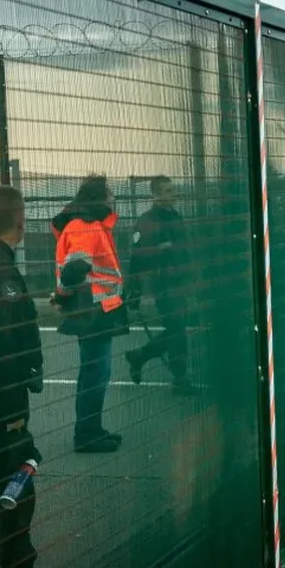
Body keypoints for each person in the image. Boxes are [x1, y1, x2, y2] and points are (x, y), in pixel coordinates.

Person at [0, 186, 79, 568]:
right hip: (3, 406)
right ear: (18, 219)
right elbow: (2, 345)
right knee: (17, 481)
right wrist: (24, 378)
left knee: (4, 481)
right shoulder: (0, 274)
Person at [51, 175, 129, 454]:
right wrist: (62, 295)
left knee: (93, 372)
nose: (113, 200)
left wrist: (62, 295)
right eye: (109, 194)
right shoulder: (85, 226)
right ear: (99, 198)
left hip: (94, 310)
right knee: (96, 373)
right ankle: (86, 435)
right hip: (94, 311)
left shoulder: (86, 224)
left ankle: (91, 428)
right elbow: (75, 269)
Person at [125, 176, 196, 395]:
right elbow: (136, 259)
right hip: (163, 286)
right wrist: (133, 292)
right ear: (155, 195)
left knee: (177, 330)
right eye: (167, 191)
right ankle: (180, 379)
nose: (172, 194)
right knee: (178, 330)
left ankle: (140, 356)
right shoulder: (146, 222)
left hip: (180, 284)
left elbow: (184, 252)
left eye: (172, 189)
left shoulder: (176, 217)